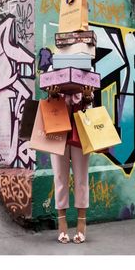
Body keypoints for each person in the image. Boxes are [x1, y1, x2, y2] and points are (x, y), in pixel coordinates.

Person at [47, 84, 94, 244]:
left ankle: (81, 221)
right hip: (57, 127)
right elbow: (48, 101)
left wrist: (87, 96)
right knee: (60, 177)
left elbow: (89, 103)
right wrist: (53, 95)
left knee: (81, 178)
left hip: (81, 127)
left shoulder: (86, 69)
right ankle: (62, 222)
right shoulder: (53, 70)